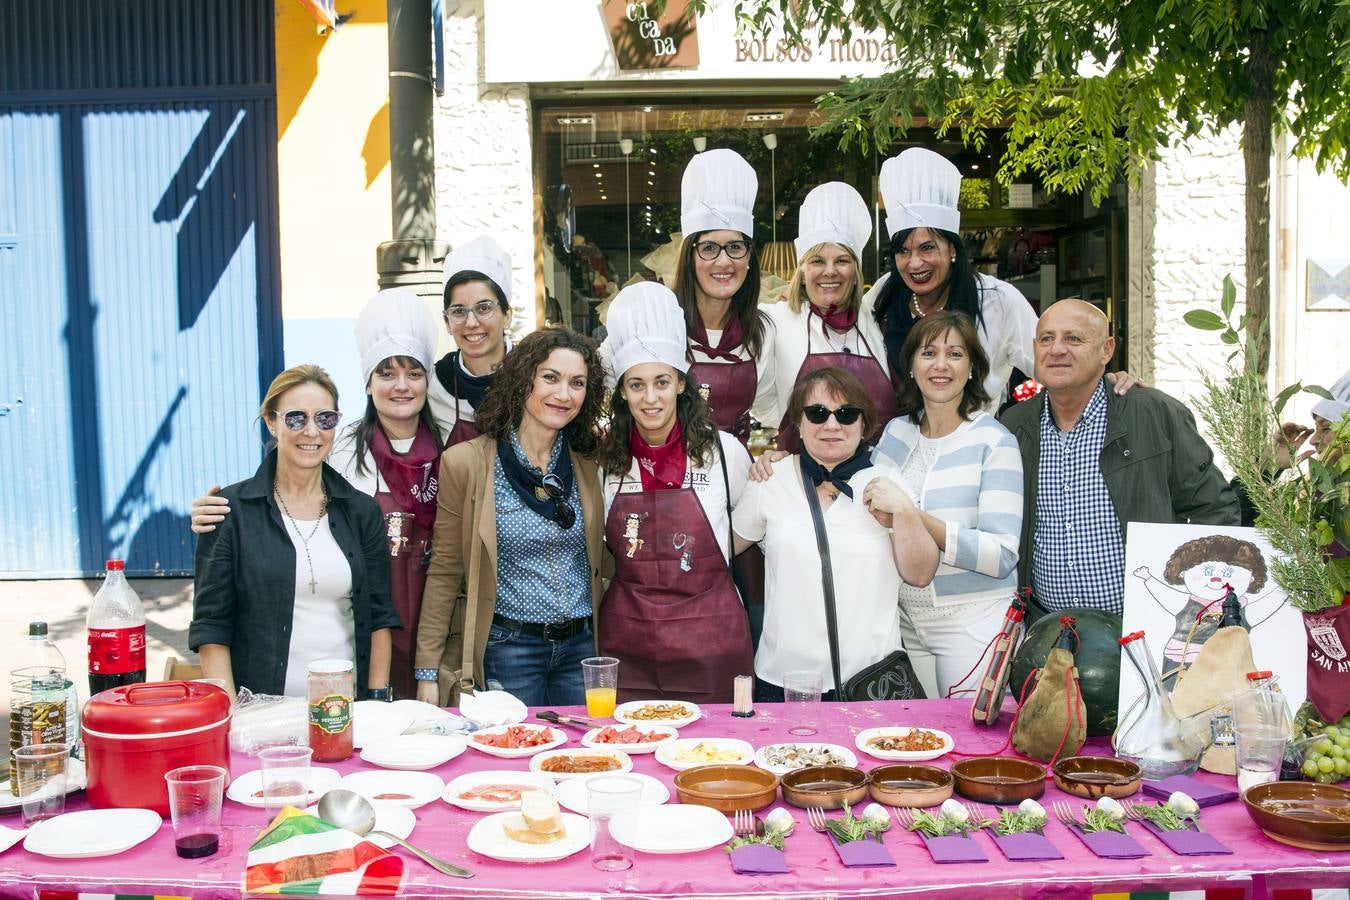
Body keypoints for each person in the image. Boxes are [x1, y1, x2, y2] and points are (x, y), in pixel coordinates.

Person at [1000, 298, 1240, 615]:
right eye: (1047, 338)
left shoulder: (1154, 414)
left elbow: (1214, 508)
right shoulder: (1014, 426)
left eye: (1073, 338)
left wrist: (1197, 599)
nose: (1057, 349)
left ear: (1106, 350)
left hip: (1143, 625)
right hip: (1047, 629)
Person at [416, 327, 607, 707]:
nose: (563, 394)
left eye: (577, 383)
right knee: (515, 759)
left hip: (582, 649)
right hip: (509, 648)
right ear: (523, 382)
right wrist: (427, 671)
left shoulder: (589, 463)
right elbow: (444, 570)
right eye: (550, 378)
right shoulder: (467, 463)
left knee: (586, 759)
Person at [190, 365, 400, 699]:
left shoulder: (362, 512)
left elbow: (379, 616)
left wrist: (375, 700)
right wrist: (233, 715)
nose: (312, 431)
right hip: (259, 715)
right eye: (296, 418)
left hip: (345, 711)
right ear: (271, 422)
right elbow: (211, 626)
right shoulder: (230, 511)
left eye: (325, 418)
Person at [868, 148, 1136, 408]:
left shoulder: (997, 299)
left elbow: (1050, 363)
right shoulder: (884, 293)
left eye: (927, 248)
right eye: (903, 251)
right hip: (896, 442)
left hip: (977, 446)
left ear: (952, 249)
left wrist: (1105, 381)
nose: (915, 263)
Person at [733, 367, 938, 700]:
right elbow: (719, 551)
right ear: (798, 423)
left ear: (863, 424)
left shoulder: (888, 483)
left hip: (870, 681)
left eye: (846, 414)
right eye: (816, 414)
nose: (831, 425)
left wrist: (904, 511)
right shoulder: (770, 480)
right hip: (783, 680)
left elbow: (920, 574)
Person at [596, 282, 753, 704]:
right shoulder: (604, 462)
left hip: (713, 640)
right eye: (636, 385)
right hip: (628, 643)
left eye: (662, 382)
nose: (651, 398)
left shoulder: (726, 453)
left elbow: (751, 525)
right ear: (622, 392)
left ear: (682, 383)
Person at [871, 310, 1024, 698]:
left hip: (972, 623)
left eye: (955, 354)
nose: (941, 365)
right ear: (911, 365)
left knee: (967, 741)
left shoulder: (994, 441)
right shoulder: (896, 432)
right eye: (928, 353)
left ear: (972, 367)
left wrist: (913, 515)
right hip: (903, 621)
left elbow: (1002, 554)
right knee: (917, 741)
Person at [766, 182, 896, 449]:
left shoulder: (874, 320)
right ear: (802, 272)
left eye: (842, 260)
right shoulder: (777, 322)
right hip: (803, 480)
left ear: (855, 271)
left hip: (878, 475)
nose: (829, 271)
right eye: (817, 261)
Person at [673, 148, 776, 446]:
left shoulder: (763, 330)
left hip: (737, 479)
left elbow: (773, 408)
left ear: (748, 257)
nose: (723, 262)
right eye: (708, 248)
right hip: (666, 484)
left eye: (735, 247)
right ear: (690, 256)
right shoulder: (659, 319)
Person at [429, 235, 515, 445]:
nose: (471, 322)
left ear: (507, 315)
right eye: (458, 311)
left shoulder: (537, 376)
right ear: (447, 322)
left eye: (484, 308)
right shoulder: (434, 386)